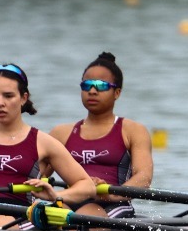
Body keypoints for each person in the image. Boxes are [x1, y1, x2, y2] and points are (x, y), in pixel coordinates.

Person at [0, 63, 97, 228]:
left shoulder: (43, 142)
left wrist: (56, 195)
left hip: (20, 214)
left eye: (8, 96)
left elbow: (87, 186)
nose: (0, 103)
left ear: (23, 98)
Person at [49, 52, 154, 218]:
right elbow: (34, 175)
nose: (92, 90)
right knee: (47, 212)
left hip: (114, 204)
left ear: (117, 93)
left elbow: (144, 178)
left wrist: (112, 194)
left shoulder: (133, 130)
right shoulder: (60, 133)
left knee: (85, 214)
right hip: (69, 202)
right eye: (87, 85)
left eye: (101, 85)